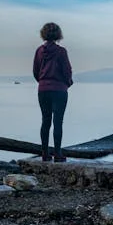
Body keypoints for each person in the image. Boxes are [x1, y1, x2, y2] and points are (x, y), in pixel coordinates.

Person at [33, 22, 73, 162]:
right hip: (59, 90)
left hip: (43, 90)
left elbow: (35, 71)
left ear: (43, 34)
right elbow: (67, 71)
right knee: (58, 122)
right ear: (58, 34)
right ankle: (57, 154)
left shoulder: (39, 51)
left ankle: (45, 153)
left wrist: (43, 82)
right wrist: (68, 83)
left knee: (45, 121)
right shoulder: (61, 52)